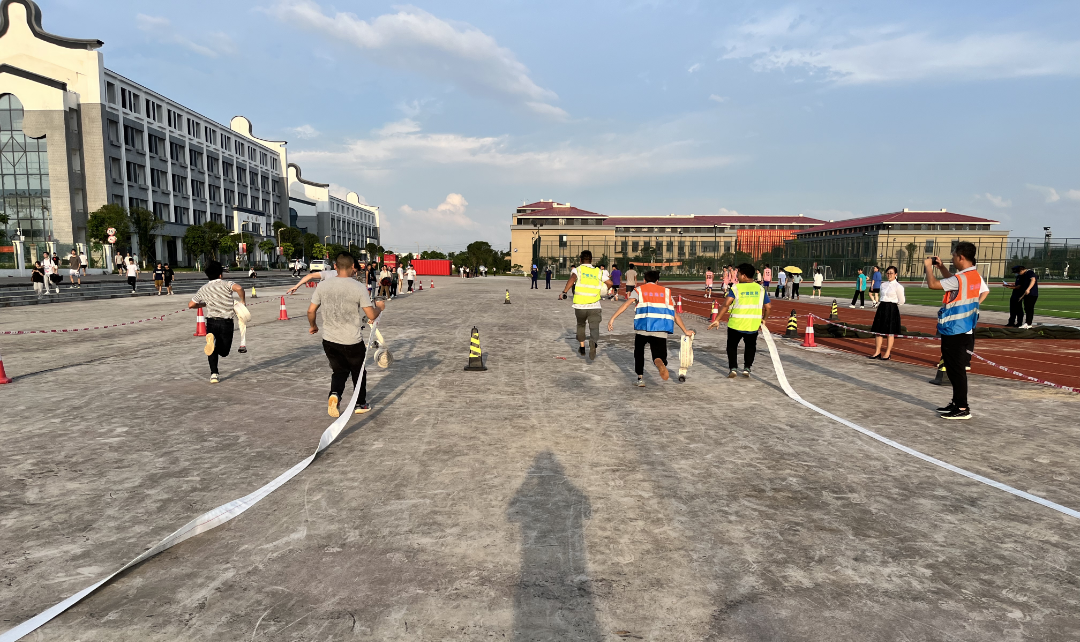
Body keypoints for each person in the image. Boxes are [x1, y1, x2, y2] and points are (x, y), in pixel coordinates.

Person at [308, 253, 384, 417]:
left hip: (329, 340)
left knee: (339, 371)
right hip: (352, 340)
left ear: (335, 266)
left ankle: (335, 394)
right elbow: (371, 315)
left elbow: (311, 311)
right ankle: (360, 403)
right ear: (353, 267)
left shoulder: (322, 286)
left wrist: (313, 326)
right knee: (358, 372)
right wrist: (379, 307)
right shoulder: (358, 287)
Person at [924, 242, 988, 420]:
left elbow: (933, 284)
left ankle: (962, 407)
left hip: (955, 329)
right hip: (964, 327)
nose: (952, 259)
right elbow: (954, 282)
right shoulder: (972, 276)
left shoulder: (962, 278)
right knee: (953, 369)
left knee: (956, 370)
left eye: (953, 256)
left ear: (961, 257)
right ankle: (957, 402)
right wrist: (942, 267)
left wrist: (928, 267)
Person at [607, 270, 695, 386]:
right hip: (661, 329)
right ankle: (659, 362)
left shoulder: (639, 290)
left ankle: (640, 378)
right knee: (659, 355)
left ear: (644, 280)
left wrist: (612, 318)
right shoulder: (666, 292)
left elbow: (626, 304)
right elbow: (675, 314)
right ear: (657, 281)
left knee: (639, 353)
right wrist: (685, 330)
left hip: (642, 328)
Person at [707, 263, 772, 378]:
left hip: (735, 325)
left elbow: (726, 304)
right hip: (752, 325)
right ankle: (747, 368)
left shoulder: (736, 288)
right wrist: (764, 319)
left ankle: (733, 368)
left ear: (744, 276)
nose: (737, 276)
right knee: (750, 347)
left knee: (732, 347)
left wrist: (717, 319)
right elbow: (768, 307)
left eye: (739, 274)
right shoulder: (760, 289)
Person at [188, 260, 246, 384]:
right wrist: (242, 300)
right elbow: (239, 288)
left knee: (211, 347)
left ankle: (214, 374)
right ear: (220, 274)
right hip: (226, 322)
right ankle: (213, 345)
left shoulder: (203, 288)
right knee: (224, 352)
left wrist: (204, 304)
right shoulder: (226, 284)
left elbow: (191, 304)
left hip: (211, 322)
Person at [559, 250, 614, 360]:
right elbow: (610, 283)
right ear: (591, 260)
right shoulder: (598, 272)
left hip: (580, 306)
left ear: (580, 260)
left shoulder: (577, 270)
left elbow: (572, 279)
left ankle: (582, 346)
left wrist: (564, 292)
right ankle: (593, 342)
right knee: (594, 327)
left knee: (580, 325)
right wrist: (603, 291)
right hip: (595, 306)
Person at [868, 266, 905, 360]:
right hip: (882, 307)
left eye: (891, 273)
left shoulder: (898, 286)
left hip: (892, 308)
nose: (889, 275)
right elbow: (881, 296)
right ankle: (877, 352)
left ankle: (887, 353)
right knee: (878, 331)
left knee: (890, 332)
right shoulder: (883, 285)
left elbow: (902, 301)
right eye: (888, 273)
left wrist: (892, 305)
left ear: (895, 274)